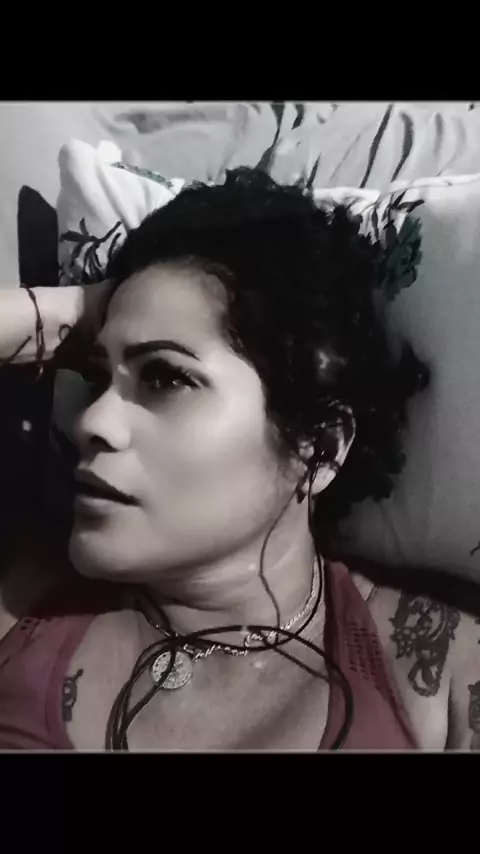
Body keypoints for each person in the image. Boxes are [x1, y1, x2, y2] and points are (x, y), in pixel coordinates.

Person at [0, 168, 479, 751]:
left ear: (319, 446)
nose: (90, 421)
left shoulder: (441, 672)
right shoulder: (22, 602)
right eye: (99, 378)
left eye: (165, 377)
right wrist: (67, 311)